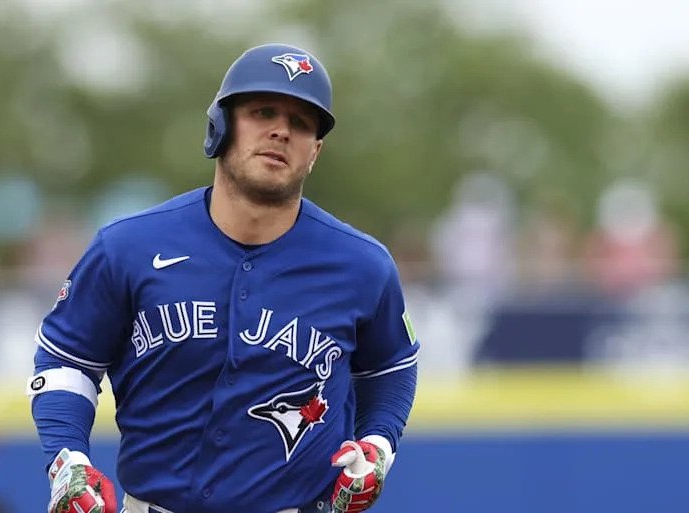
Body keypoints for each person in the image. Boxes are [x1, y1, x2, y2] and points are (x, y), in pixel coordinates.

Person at [27, 43, 420, 513]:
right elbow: (67, 361)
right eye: (263, 112)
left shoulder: (362, 265)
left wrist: (378, 445)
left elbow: (390, 369)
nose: (281, 130)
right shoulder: (127, 246)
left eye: (301, 123)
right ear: (221, 125)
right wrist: (67, 460)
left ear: (315, 151)